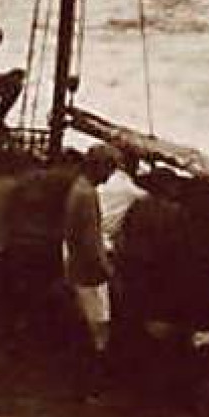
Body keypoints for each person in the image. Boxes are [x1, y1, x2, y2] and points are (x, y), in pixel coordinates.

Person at [64, 146, 120, 367]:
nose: (108, 177)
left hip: (76, 267)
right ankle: (91, 384)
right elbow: (91, 242)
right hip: (88, 274)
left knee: (86, 328)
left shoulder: (78, 189)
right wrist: (108, 272)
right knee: (98, 331)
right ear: (99, 166)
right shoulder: (87, 194)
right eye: (109, 170)